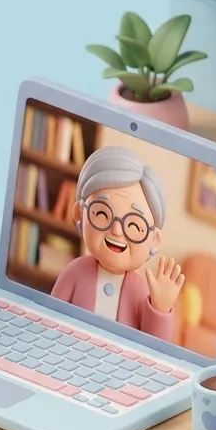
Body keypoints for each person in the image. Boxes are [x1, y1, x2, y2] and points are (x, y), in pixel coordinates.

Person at [50, 146, 184, 341]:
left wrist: (160, 308)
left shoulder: (138, 289)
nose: (116, 230)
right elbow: (49, 320)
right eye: (103, 214)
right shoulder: (75, 272)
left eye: (134, 225)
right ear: (80, 213)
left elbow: (153, 349)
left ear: (154, 240)